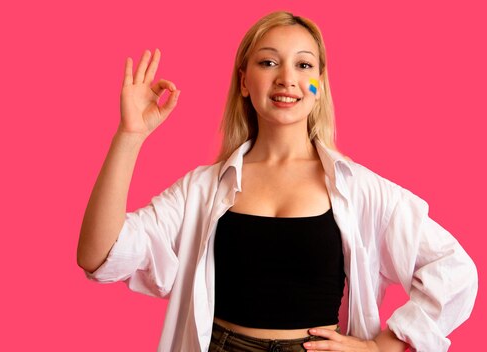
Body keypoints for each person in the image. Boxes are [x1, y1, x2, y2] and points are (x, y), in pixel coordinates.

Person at [76, 11, 478, 352]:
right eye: (268, 63)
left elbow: (454, 269)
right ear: (245, 82)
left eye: (304, 65)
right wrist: (129, 137)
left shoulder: (360, 189)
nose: (287, 78)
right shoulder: (200, 189)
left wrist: (384, 346)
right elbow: (99, 255)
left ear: (319, 85)